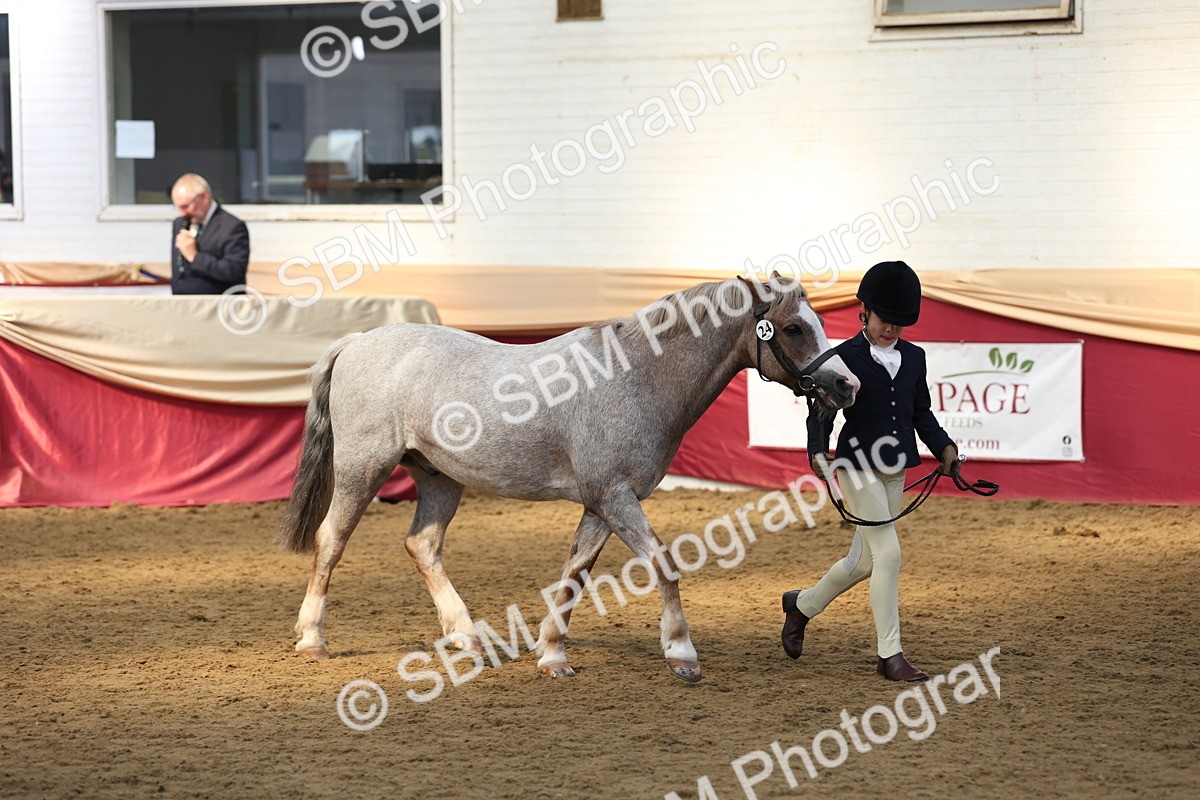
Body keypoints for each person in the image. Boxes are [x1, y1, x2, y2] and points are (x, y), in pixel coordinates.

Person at [780, 260, 959, 682]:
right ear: (865, 311)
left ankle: (801, 606)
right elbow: (821, 411)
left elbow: (921, 413)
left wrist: (945, 448)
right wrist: (817, 451)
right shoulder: (843, 357)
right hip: (856, 465)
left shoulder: (914, 358)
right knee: (889, 554)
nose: (890, 329)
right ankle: (889, 655)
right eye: (884, 319)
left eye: (899, 322)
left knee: (862, 562)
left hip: (895, 470)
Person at [169, 173, 250, 295]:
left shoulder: (232, 226)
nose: (182, 213)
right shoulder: (180, 223)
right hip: (182, 302)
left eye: (186, 206)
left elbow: (234, 272)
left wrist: (195, 257)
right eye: (178, 208)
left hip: (217, 302)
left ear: (203, 197)